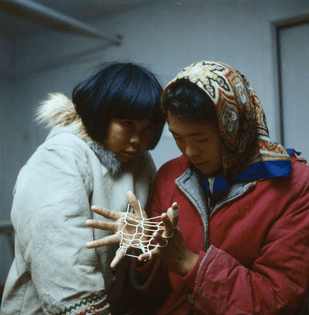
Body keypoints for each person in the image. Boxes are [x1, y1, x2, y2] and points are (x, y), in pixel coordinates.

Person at [84, 60, 309, 314]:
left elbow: (279, 301)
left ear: (232, 126)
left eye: (201, 138)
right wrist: (146, 247)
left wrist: (187, 262)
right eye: (178, 137)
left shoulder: (294, 184)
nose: (190, 152)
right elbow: (156, 293)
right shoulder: (171, 176)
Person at [0, 62, 165, 315]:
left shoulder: (141, 163)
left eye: (147, 129)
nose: (137, 140)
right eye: (128, 123)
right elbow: (61, 262)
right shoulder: (61, 155)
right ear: (101, 115)